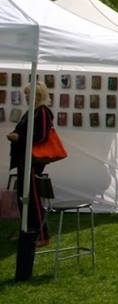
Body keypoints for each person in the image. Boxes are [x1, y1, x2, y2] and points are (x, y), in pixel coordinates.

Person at [7, 83, 54, 246]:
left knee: (32, 200)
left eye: (29, 94)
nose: (26, 97)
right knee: (24, 199)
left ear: (39, 94)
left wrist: (18, 138)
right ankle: (26, 231)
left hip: (33, 162)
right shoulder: (31, 112)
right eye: (26, 94)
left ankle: (42, 236)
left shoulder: (42, 112)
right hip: (24, 160)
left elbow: (40, 137)